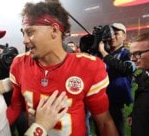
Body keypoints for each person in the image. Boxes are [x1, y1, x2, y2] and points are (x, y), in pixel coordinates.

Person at [7, 0, 118, 135]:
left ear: (54, 30)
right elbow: (15, 107)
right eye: (23, 33)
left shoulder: (88, 66)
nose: (24, 40)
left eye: (30, 32)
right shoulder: (19, 64)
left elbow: (104, 123)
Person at [98, 23, 135, 136]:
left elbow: (126, 68)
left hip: (116, 104)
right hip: (100, 103)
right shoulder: (102, 53)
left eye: (116, 33)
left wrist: (104, 53)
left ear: (124, 36)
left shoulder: (128, 53)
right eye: (111, 34)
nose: (112, 36)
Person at [126, 32, 149, 135]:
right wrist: (134, 114)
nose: (132, 59)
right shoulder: (144, 74)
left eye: (138, 53)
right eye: (131, 54)